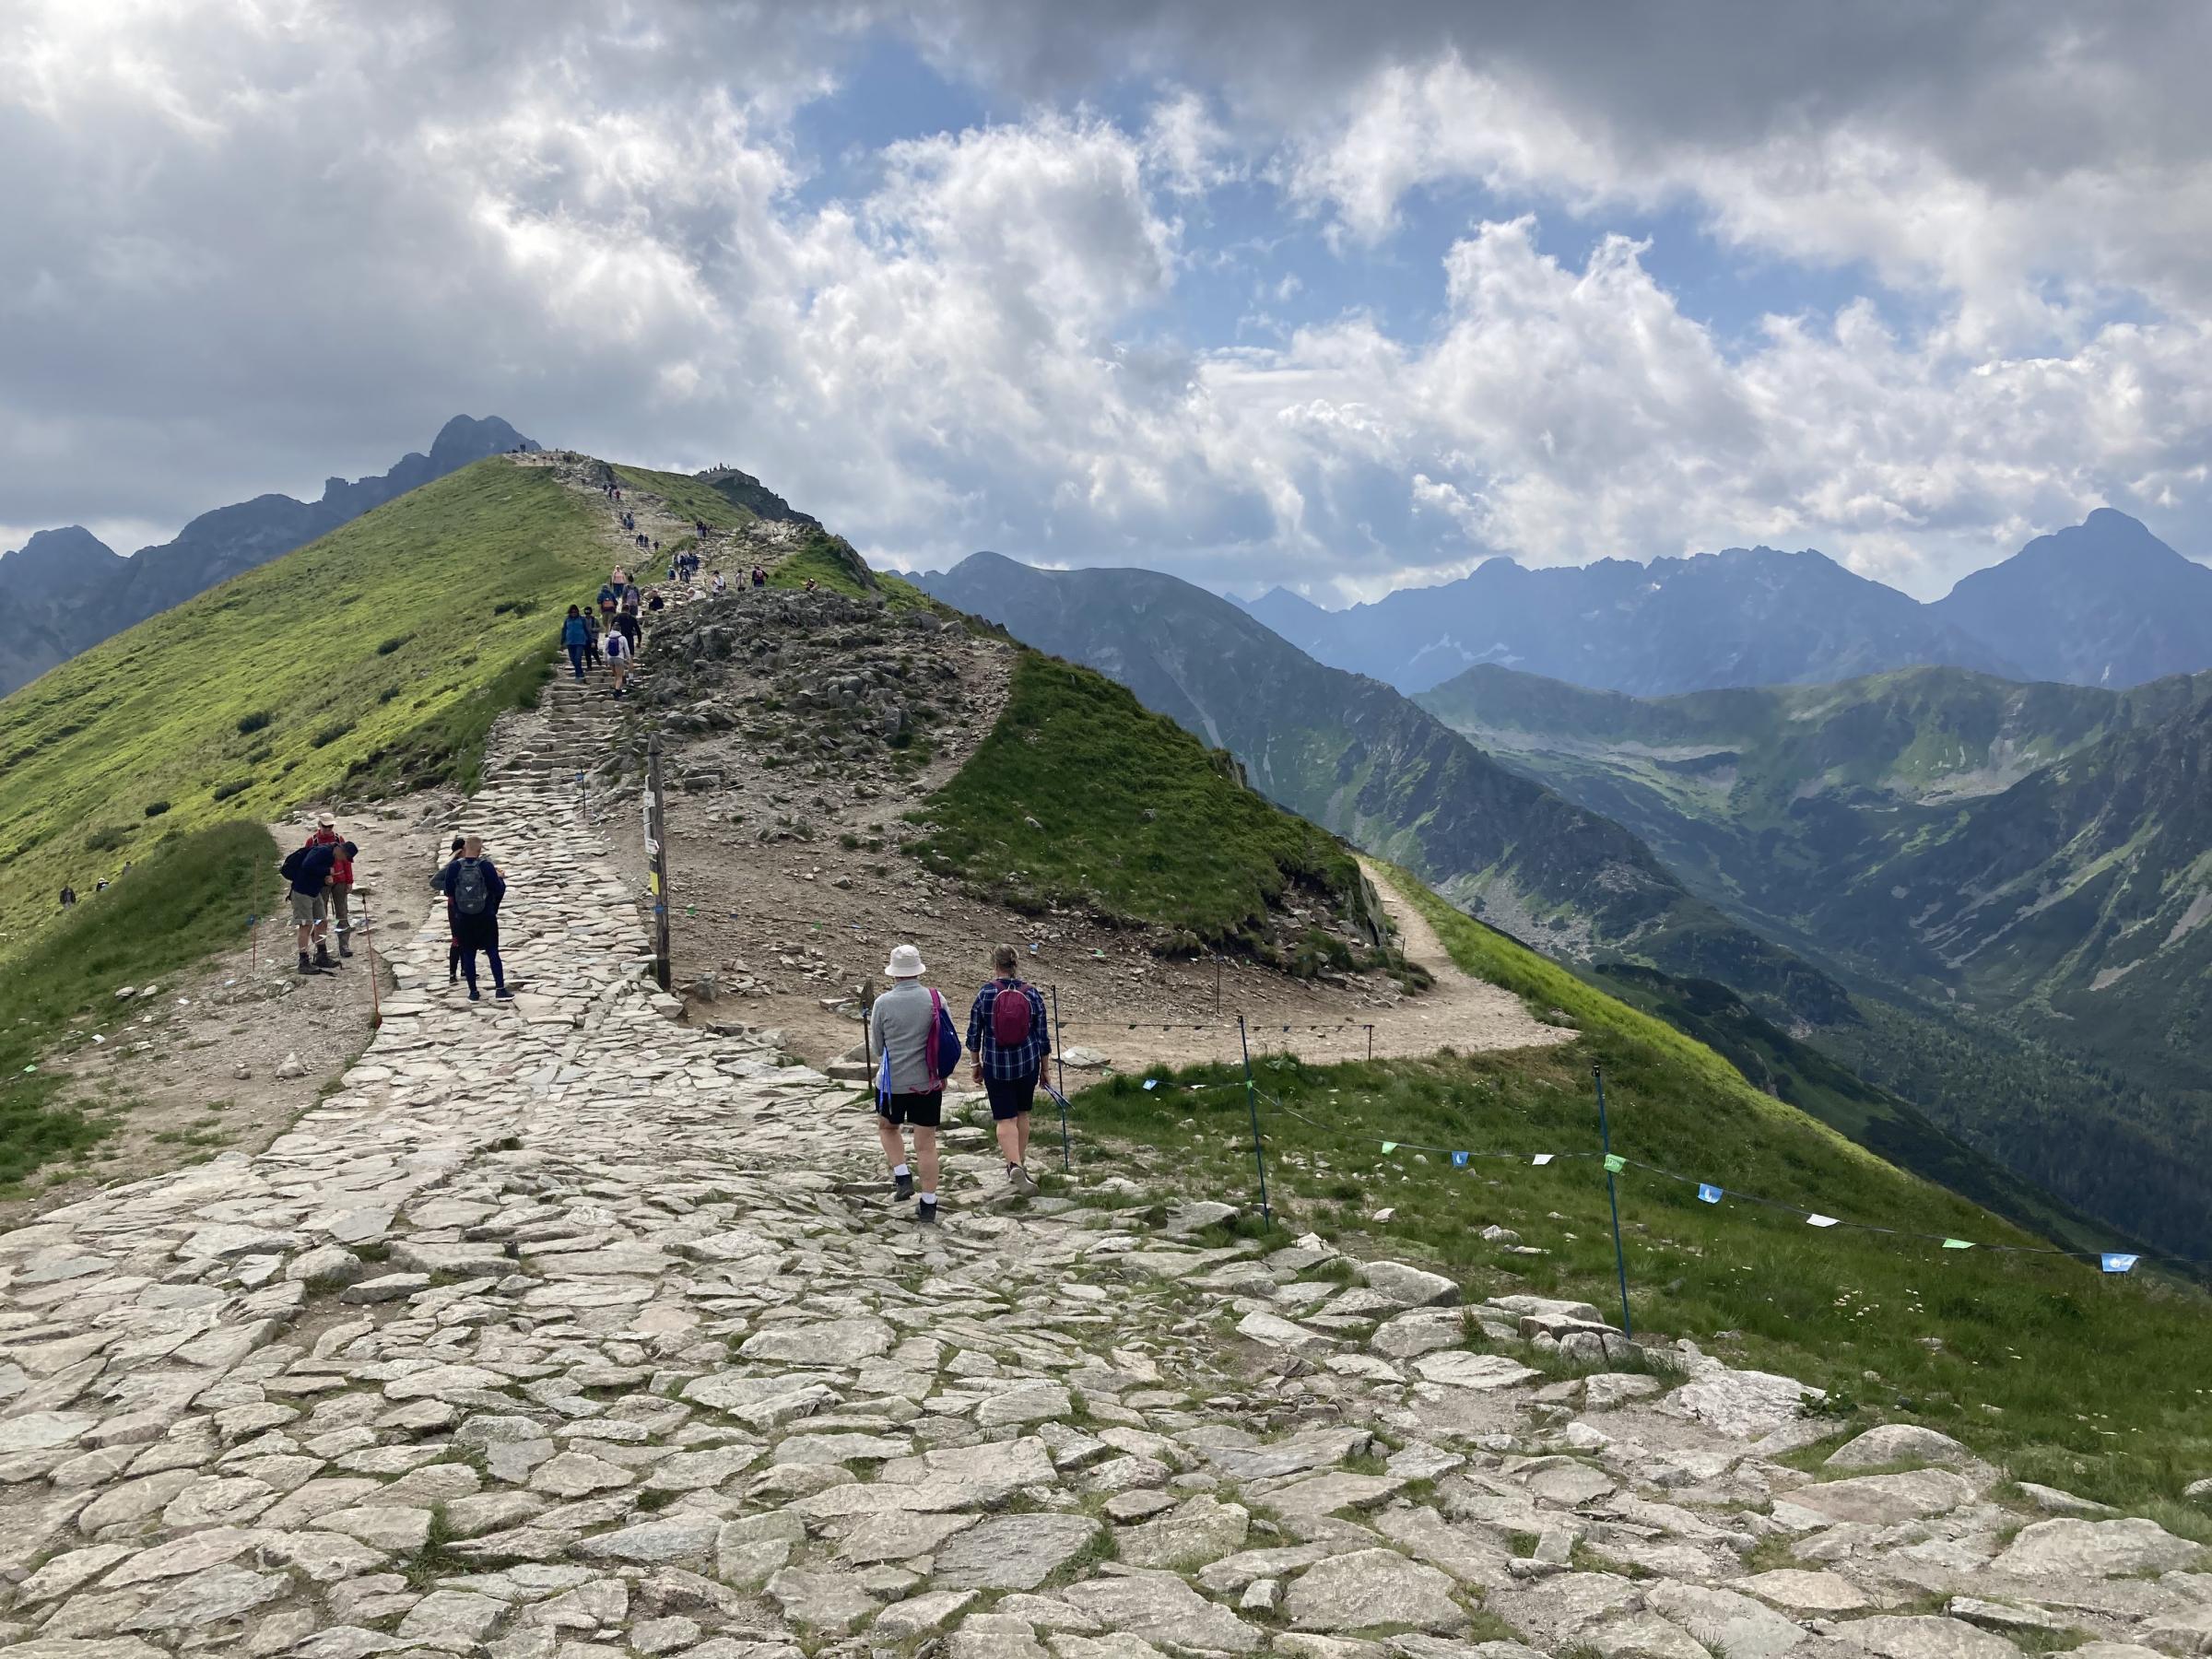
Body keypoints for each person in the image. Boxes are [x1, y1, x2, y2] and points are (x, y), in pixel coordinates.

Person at [869, 943, 955, 1223]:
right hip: (928, 1082)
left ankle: (902, 1175)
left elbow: (878, 1048)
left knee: (888, 1127)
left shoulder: (882, 1003)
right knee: (926, 1144)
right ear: (918, 970)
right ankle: (929, 1204)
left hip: (892, 1084)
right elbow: (947, 1037)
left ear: (894, 973)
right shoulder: (935, 998)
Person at [967, 945, 1052, 1196]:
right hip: (1027, 1063)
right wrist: (1045, 1070)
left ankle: (1013, 1163)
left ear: (994, 964)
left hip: (996, 1064)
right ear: (1016, 964)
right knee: (1022, 1114)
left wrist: (975, 1064)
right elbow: (1042, 1036)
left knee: (1005, 1118)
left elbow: (974, 1034)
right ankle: (1019, 1164)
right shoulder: (1032, 994)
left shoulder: (985, 994)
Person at [433, 835, 510, 1001]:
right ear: (480, 850)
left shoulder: (454, 867)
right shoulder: (486, 866)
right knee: (492, 952)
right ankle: (500, 989)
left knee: (468, 953)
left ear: (464, 848)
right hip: (486, 916)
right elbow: (497, 889)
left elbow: (449, 891)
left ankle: (473, 992)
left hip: (463, 918)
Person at [279, 836, 342, 975]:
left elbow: (314, 872)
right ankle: (303, 962)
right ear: (339, 850)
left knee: (322, 922)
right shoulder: (323, 851)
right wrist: (327, 872)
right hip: (302, 892)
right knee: (306, 925)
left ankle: (321, 955)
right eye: (345, 856)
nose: (343, 860)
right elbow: (307, 866)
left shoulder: (331, 855)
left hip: (314, 892)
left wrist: (326, 880)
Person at [327, 839, 358, 958]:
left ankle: (344, 945)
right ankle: (321, 947)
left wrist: (349, 881)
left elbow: (347, 863)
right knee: (320, 915)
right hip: (323, 882)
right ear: (320, 825)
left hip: (340, 881)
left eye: (330, 826)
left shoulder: (339, 840)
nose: (328, 828)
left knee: (342, 912)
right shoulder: (313, 841)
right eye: (325, 826)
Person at [603, 618, 632, 696]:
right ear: (620, 629)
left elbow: (605, 650)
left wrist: (605, 660)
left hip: (610, 659)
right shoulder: (622, 638)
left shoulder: (608, 639)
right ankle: (617, 691)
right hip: (619, 658)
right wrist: (629, 659)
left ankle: (616, 688)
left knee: (616, 675)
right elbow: (627, 649)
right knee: (620, 676)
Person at [562, 605, 590, 679]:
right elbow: (564, 630)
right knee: (572, 659)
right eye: (572, 612)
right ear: (569, 612)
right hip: (570, 642)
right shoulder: (567, 620)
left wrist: (591, 640)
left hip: (580, 642)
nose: (573, 613)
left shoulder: (582, 619)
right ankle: (580, 672)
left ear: (577, 612)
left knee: (578, 658)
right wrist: (562, 642)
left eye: (575, 611)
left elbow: (586, 630)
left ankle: (578, 676)